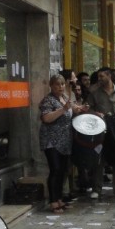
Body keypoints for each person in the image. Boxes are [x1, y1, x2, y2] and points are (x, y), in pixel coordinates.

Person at [86, 67, 115, 199]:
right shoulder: (95, 92)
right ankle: (97, 188)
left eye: (102, 76)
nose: (99, 79)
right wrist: (96, 113)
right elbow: (88, 108)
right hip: (101, 129)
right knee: (99, 159)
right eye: (99, 77)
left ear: (109, 76)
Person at [39, 74, 74, 213]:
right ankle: (53, 201)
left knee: (63, 170)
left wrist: (80, 108)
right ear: (51, 86)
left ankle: (59, 198)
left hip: (65, 140)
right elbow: (47, 118)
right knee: (55, 169)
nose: (60, 87)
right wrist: (63, 109)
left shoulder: (64, 97)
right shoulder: (47, 101)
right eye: (57, 85)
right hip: (51, 140)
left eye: (62, 84)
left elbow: (72, 108)